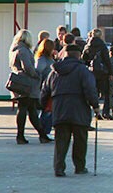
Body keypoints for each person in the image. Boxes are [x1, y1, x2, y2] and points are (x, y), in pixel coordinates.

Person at [40, 44, 101, 177]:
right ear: (79, 55)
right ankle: (79, 167)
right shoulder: (83, 70)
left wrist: (44, 106)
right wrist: (95, 106)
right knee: (80, 140)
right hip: (79, 108)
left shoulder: (54, 71)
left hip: (60, 108)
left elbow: (45, 91)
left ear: (65, 54)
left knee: (61, 140)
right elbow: (90, 90)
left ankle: (59, 168)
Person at [9, 29, 52, 144]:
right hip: (26, 83)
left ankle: (41, 135)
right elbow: (27, 67)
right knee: (25, 109)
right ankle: (22, 136)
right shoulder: (23, 51)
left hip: (19, 82)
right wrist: (37, 75)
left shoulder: (14, 49)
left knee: (30, 110)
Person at [82, 28, 113, 120]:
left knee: (92, 93)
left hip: (91, 72)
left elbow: (84, 58)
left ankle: (96, 113)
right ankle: (106, 112)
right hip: (103, 72)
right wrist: (111, 72)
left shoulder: (88, 45)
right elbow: (106, 60)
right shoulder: (102, 45)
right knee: (106, 93)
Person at [35, 39, 56, 136]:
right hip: (45, 88)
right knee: (47, 110)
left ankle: (44, 130)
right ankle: (44, 131)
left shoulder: (46, 58)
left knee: (47, 109)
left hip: (48, 87)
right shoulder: (43, 59)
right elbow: (38, 71)